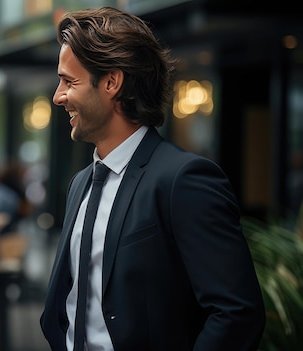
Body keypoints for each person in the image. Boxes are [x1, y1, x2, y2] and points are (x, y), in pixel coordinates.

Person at [40, 7, 265, 351]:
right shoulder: (81, 183)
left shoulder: (183, 180)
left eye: (69, 81)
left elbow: (236, 312)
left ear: (112, 82)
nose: (58, 96)